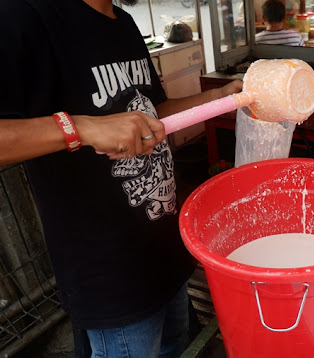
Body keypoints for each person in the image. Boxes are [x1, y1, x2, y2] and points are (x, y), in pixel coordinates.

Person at [0, 0, 242, 357]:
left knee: (175, 347)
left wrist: (219, 98)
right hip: (108, 270)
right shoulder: (23, 15)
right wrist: (80, 127)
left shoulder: (123, 22)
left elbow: (150, 113)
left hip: (163, 245)